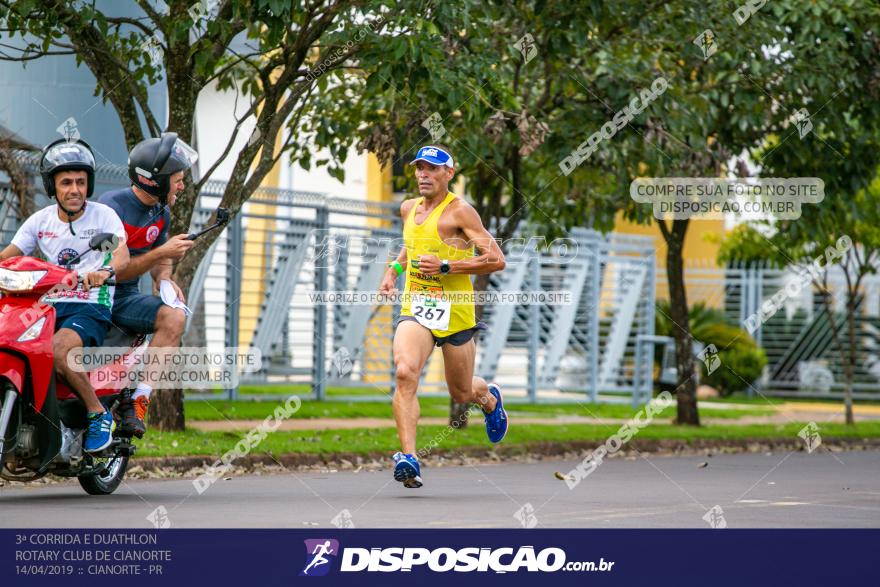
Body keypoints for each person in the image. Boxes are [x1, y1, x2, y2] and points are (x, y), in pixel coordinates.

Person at [378, 144, 507, 488]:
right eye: (419, 168)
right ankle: (409, 458)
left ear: (449, 174)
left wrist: (448, 265)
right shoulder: (408, 209)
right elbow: (412, 246)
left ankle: (489, 398)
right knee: (405, 372)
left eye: (432, 169)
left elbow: (496, 258)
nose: (423, 174)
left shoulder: (461, 213)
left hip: (456, 315)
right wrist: (393, 270)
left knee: (462, 393)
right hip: (417, 308)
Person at [0, 138, 129, 452]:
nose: (75, 189)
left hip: (89, 306)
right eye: (67, 182)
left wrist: (106, 271)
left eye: (81, 182)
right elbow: (8, 257)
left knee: (59, 350)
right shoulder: (40, 222)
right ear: (52, 186)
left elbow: (121, 255)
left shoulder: (103, 217)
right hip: (45, 307)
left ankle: (97, 413)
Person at [98, 132, 198, 437]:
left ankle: (140, 397)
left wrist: (164, 276)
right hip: (99, 295)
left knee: (175, 316)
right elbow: (114, 271)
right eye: (177, 179)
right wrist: (163, 253)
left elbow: (158, 260)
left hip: (127, 298)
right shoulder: (110, 208)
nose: (181, 186)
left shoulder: (161, 212)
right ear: (155, 181)